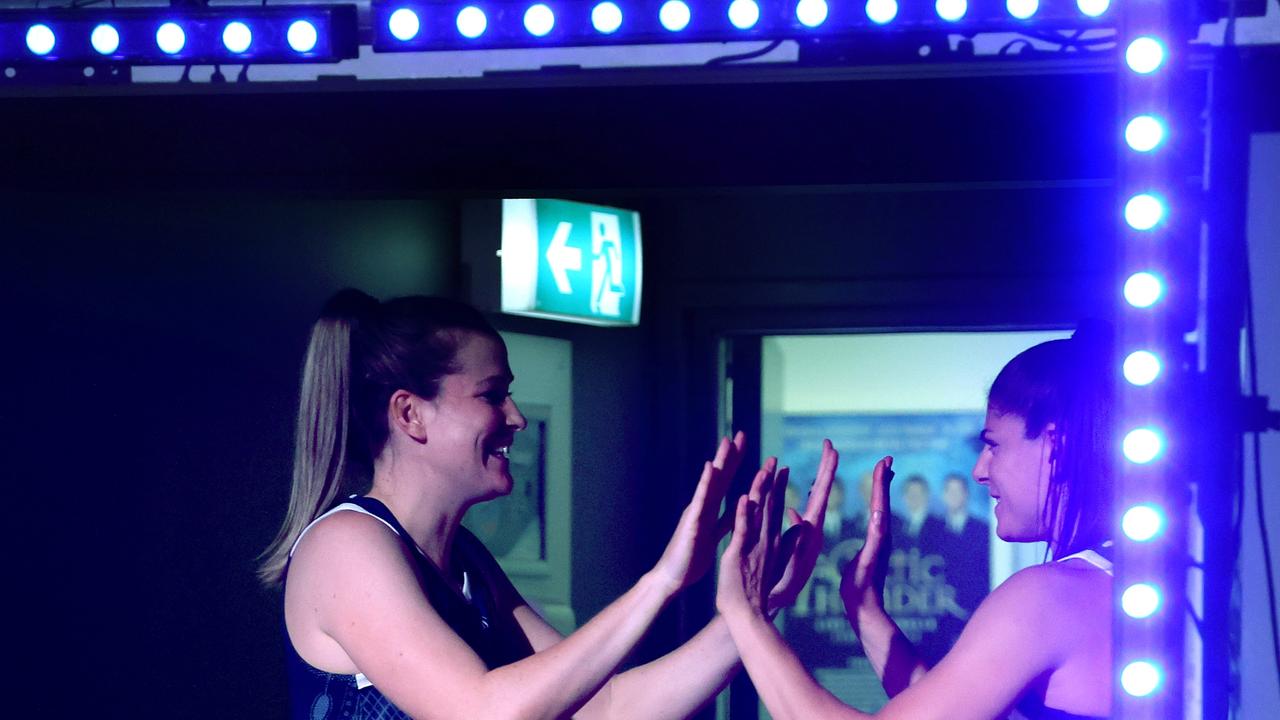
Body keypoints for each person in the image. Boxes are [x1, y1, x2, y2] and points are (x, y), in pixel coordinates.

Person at [257, 289, 839, 720]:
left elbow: (607, 708)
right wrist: (660, 582)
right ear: (410, 414)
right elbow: (484, 712)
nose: (516, 417)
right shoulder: (346, 545)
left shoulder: (466, 560)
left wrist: (752, 611)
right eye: (492, 395)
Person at [717, 330, 1115, 720]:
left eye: (993, 445)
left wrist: (745, 611)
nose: (980, 470)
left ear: (1056, 447)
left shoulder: (1047, 596)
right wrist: (864, 609)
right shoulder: (1115, 580)